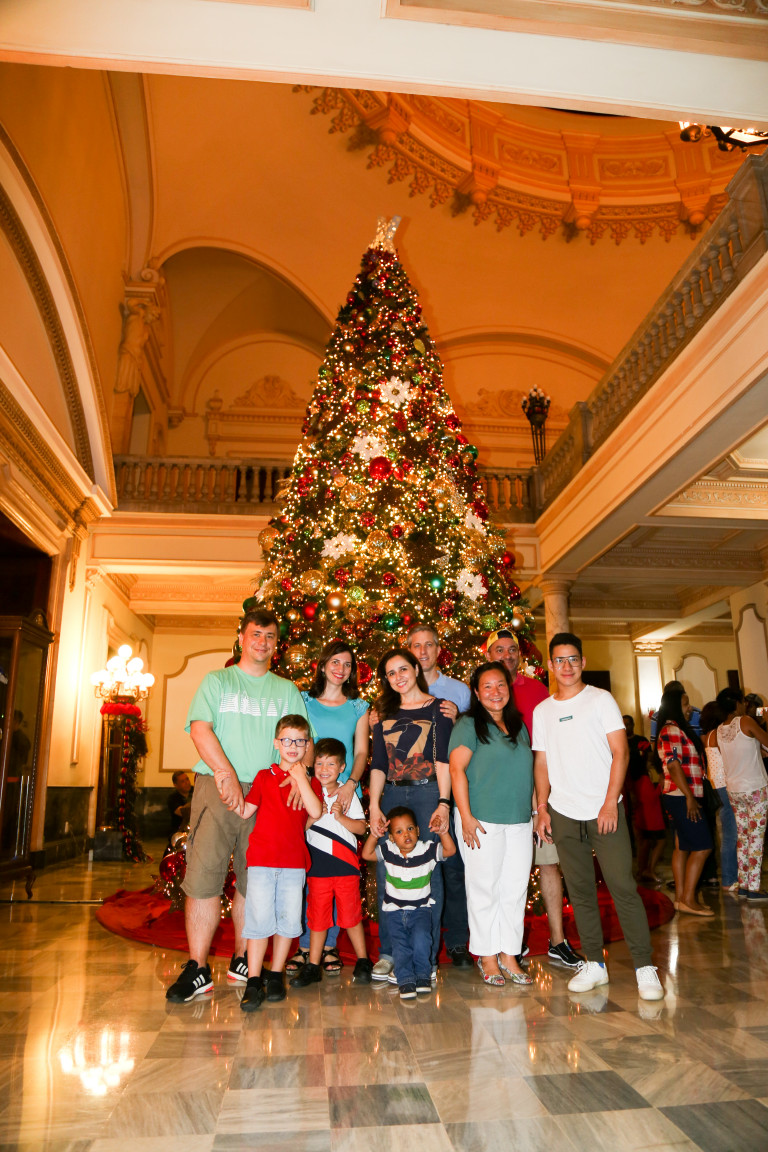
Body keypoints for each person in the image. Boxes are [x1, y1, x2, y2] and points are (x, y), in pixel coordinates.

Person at [166, 608, 313, 1003]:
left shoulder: (287, 690)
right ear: (242, 637)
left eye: (270, 636)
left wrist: (298, 776)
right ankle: (198, 968)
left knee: (256, 881)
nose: (262, 642)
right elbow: (200, 729)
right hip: (216, 786)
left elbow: (304, 741)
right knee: (204, 877)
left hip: (270, 794)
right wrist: (225, 772)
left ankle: (244, 959)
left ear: (276, 644)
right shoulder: (217, 681)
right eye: (256, 634)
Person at [533, 632, 663, 1002]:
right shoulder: (543, 711)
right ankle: (594, 963)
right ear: (551, 665)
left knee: (622, 887)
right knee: (580, 891)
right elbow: (541, 762)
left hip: (605, 810)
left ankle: (644, 967)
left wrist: (609, 803)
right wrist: (542, 809)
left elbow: (620, 752)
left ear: (583, 662)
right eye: (560, 660)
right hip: (563, 812)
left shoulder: (600, 699)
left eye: (573, 659)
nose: (567, 666)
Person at [486, 628, 582, 970]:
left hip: (539, 790)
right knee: (501, 868)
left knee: (549, 862)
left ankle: (557, 941)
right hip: (501, 792)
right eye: (499, 650)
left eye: (512, 649)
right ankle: (505, 942)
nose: (507, 655)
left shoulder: (538, 689)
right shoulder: (482, 691)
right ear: (488, 655)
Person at [368, 648, 453, 983]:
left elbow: (443, 760)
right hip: (391, 794)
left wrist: (443, 802)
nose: (398, 677)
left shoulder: (438, 709)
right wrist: (374, 805)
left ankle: (425, 959)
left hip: (427, 792)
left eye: (403, 669)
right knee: (386, 871)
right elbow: (378, 763)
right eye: (391, 673)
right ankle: (389, 953)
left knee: (430, 874)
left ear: (416, 669)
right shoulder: (383, 713)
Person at [287, 640, 370, 976]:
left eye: (347, 664)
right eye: (335, 662)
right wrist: (305, 784)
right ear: (322, 665)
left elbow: (361, 751)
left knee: (338, 867)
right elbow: (300, 743)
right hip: (309, 792)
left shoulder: (358, 707)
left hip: (344, 793)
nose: (341, 669)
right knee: (312, 872)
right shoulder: (303, 701)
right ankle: (307, 946)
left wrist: (351, 783)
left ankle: (330, 946)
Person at [448, 662, 534, 986]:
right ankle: (487, 956)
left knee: (515, 889)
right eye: (487, 686)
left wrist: (537, 812)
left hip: (519, 820)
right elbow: (456, 770)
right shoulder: (469, 724)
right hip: (481, 819)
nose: (495, 691)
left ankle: (509, 954)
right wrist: (465, 816)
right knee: (484, 889)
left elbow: (529, 770)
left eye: (501, 685)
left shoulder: (518, 725)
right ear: (476, 691)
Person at [238, 715, 323, 1011]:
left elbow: (315, 811)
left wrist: (301, 778)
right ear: (277, 743)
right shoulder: (264, 777)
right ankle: (253, 979)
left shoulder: (310, 782)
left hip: (293, 862)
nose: (293, 746)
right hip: (262, 860)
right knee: (258, 920)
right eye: (287, 740)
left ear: (307, 745)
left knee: (288, 920)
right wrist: (229, 791)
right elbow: (246, 811)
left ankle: (275, 974)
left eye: (299, 741)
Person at [407, 623, 473, 969]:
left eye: (429, 644)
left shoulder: (458, 691)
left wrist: (459, 718)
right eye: (416, 645)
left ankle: (458, 941)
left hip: (450, 788)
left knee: (453, 867)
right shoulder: (400, 685)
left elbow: (475, 734)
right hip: (413, 788)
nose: (423, 651)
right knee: (418, 866)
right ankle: (420, 943)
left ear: (438, 649)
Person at [290, 737, 373, 987]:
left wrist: (340, 817)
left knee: (351, 916)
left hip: (345, 866)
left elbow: (361, 828)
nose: (324, 769)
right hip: (317, 868)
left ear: (341, 767)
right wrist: (314, 817)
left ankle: (363, 961)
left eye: (330, 764)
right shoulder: (308, 792)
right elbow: (298, 829)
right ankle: (313, 965)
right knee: (318, 917)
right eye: (319, 763)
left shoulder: (347, 794)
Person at [362, 806, 455, 999]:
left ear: (418, 831)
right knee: (400, 947)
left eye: (410, 829)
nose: (406, 834)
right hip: (394, 912)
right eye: (399, 831)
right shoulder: (388, 850)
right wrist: (374, 835)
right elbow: (367, 854)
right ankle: (405, 980)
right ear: (391, 837)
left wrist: (443, 832)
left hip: (420, 910)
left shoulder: (427, 849)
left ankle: (423, 976)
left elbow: (450, 850)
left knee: (422, 941)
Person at [655, 685, 714, 917]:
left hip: (682, 795)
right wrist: (689, 797)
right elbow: (673, 765)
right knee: (703, 846)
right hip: (681, 796)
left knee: (681, 847)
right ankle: (689, 899)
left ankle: (681, 899)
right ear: (674, 706)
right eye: (685, 704)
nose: (690, 709)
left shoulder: (676, 728)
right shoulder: (671, 729)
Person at [715, 687, 768, 902]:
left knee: (743, 837)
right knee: (756, 837)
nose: (745, 704)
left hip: (734, 789)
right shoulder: (745, 721)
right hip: (754, 787)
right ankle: (753, 888)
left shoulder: (719, 730)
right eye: (743, 701)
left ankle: (745, 884)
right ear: (737, 703)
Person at [700, 700, 738, 893]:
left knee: (727, 832)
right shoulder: (717, 734)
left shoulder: (706, 735)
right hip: (724, 784)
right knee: (730, 834)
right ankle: (729, 879)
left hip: (715, 784)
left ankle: (730, 877)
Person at [623, 715, 665, 885]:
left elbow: (650, 757)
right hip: (633, 786)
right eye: (623, 724)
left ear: (633, 724)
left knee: (648, 837)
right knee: (644, 836)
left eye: (628, 724)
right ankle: (644, 870)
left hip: (642, 784)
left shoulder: (641, 740)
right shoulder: (620, 742)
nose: (626, 727)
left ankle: (645, 870)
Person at [167, 770, 194, 836]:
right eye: (182, 781)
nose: (187, 783)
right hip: (179, 831)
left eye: (187, 779)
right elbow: (183, 812)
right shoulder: (172, 798)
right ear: (175, 785)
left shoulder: (196, 790)